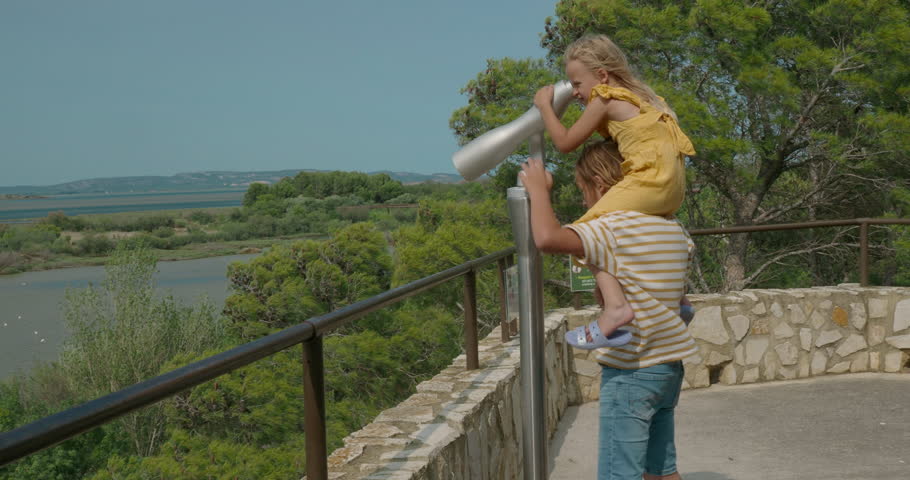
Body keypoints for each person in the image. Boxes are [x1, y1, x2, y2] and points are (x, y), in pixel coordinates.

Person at [519, 141, 697, 480]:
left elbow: (547, 239)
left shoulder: (612, 227)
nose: (584, 201)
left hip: (632, 371)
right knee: (661, 470)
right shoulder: (673, 227)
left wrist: (539, 191)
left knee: (620, 473)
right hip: (668, 368)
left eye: (583, 191)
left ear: (600, 184)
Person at [533, 33, 696, 349]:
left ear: (602, 75)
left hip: (649, 180)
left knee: (589, 231)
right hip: (672, 186)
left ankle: (616, 308)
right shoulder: (644, 99)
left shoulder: (605, 99)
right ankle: (681, 302)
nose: (576, 93)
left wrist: (544, 108)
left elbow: (565, 143)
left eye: (577, 84)